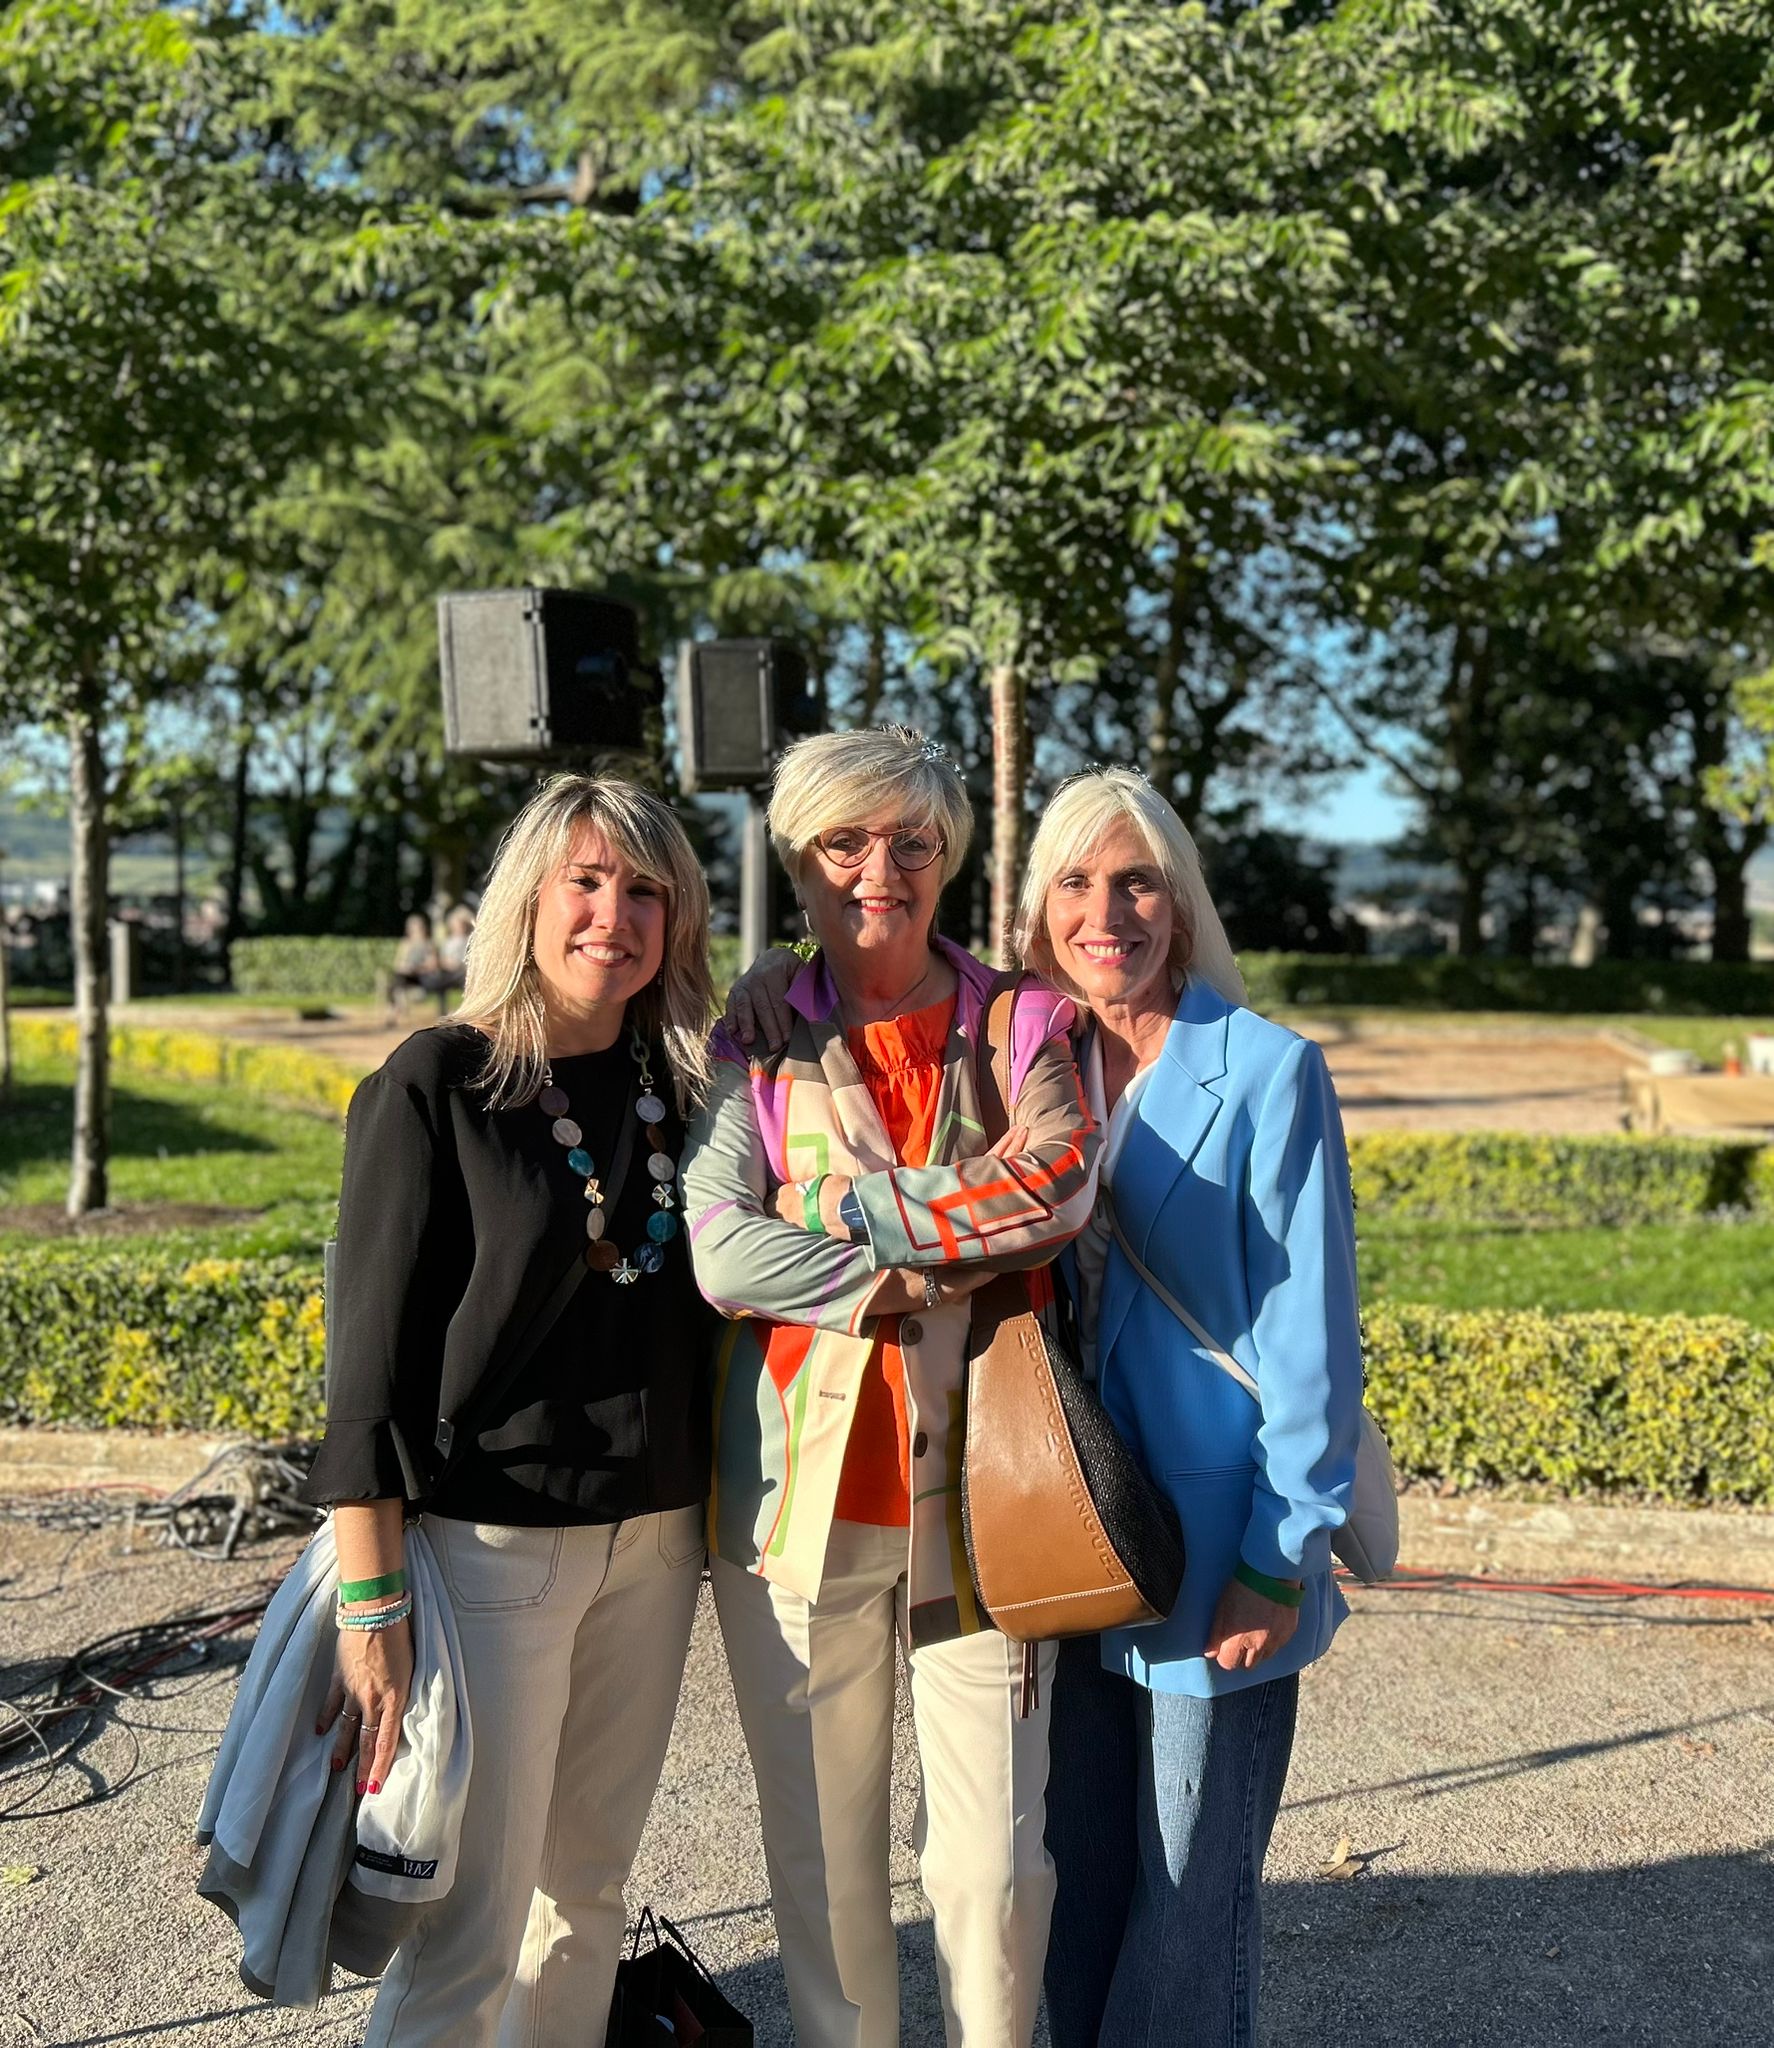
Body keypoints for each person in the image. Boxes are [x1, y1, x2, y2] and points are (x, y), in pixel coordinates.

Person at [681, 725, 1101, 2048]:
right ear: (799, 862)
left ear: (947, 857)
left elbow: (1057, 1186)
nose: (880, 869)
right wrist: (916, 1271)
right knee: (822, 1864)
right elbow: (718, 1248)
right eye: (844, 842)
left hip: (988, 1498)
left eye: (911, 841)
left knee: (992, 1866)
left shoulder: (1020, 1020)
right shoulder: (752, 1035)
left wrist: (840, 1211)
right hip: (793, 1506)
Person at [301, 773, 718, 2047]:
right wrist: (372, 1606)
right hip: (494, 1550)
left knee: (583, 1897)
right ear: (527, 899)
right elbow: (366, 1374)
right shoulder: (435, 1082)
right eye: (584, 881)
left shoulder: (683, 1086)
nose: (613, 914)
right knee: (470, 1927)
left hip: (659, 1541)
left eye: (644, 889)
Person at [1018, 768, 1363, 2048]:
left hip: (1217, 1541)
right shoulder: (1025, 1061)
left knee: (1184, 1899)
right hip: (1060, 1527)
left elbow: (1311, 1332)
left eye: (1136, 881)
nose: (1105, 912)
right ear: (1039, 904)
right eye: (1075, 881)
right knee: (1074, 1880)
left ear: (1179, 899)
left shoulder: (1268, 1071)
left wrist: (1279, 1557)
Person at [382, 913, 438, 1023]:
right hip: (408, 976)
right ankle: (398, 1007)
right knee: (397, 980)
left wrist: (418, 967)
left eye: (418, 929)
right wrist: (406, 967)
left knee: (396, 983)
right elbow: (398, 963)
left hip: (423, 976)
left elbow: (433, 964)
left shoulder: (428, 944)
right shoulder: (406, 943)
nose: (416, 932)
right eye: (414, 929)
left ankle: (395, 1010)